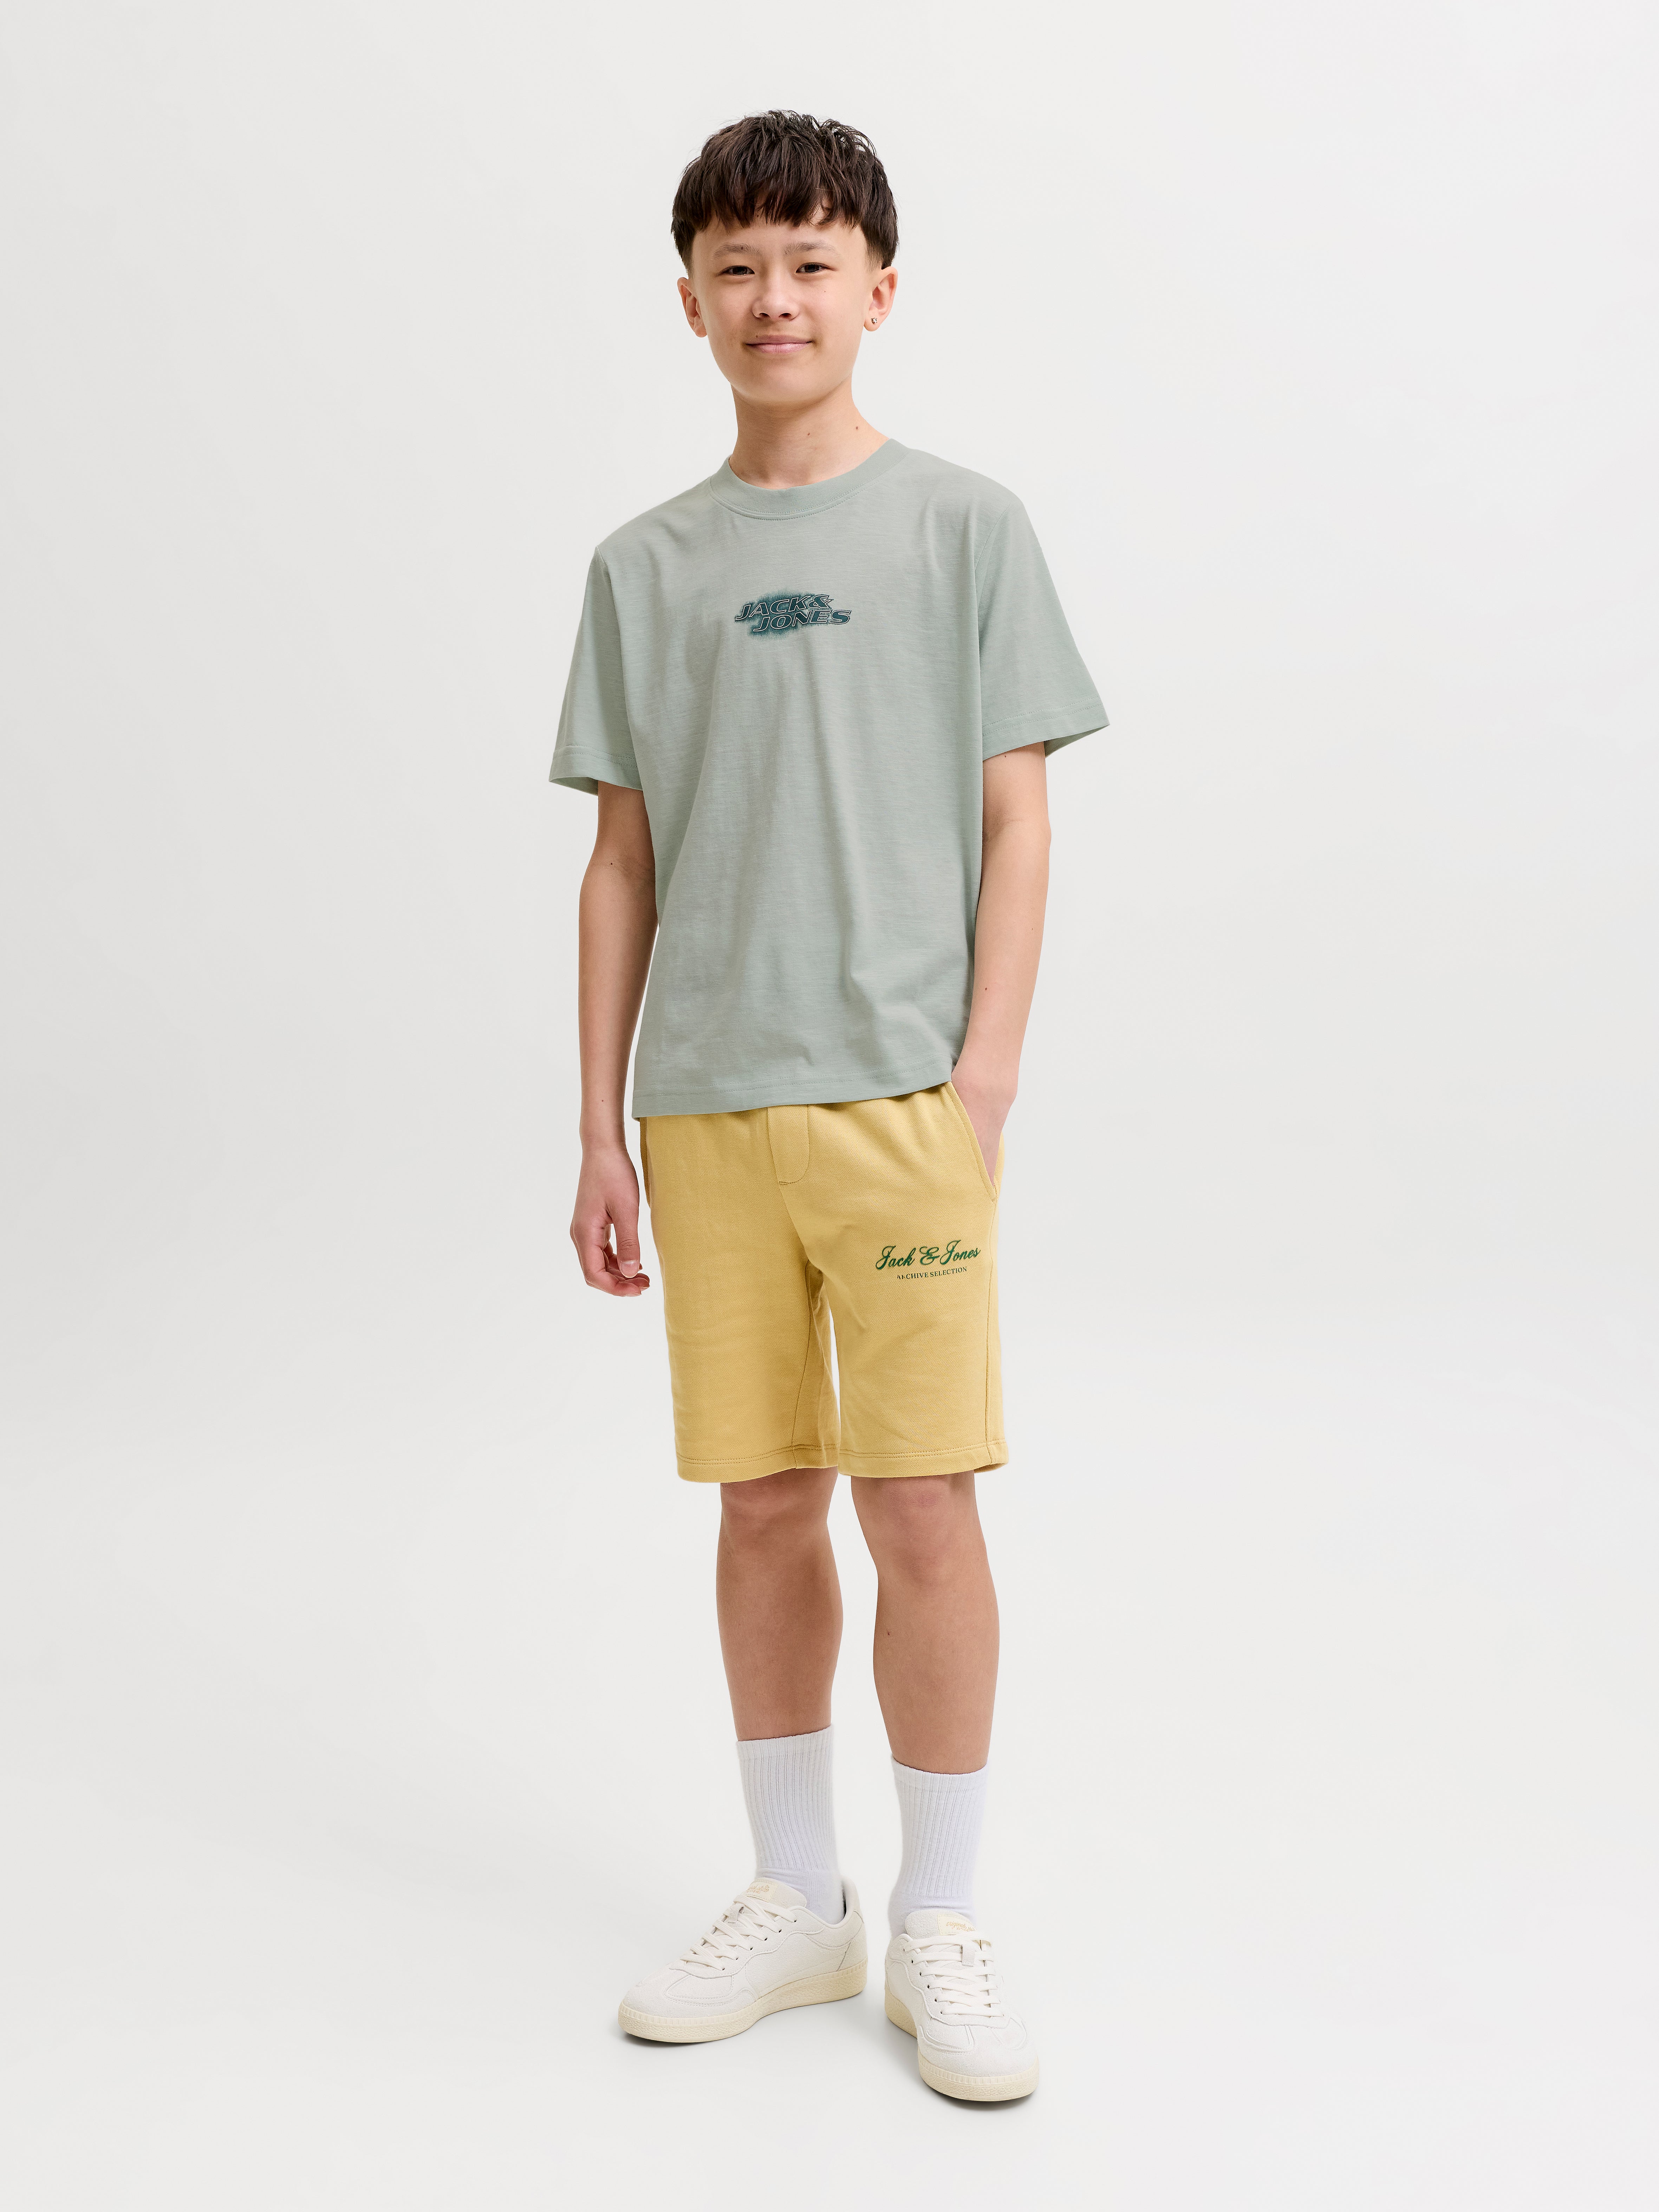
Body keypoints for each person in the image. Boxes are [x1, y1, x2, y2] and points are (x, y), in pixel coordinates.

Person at [551, 110, 1104, 2103]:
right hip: (705, 1108)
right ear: (688, 302)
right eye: (737, 267)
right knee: (764, 1499)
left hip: (903, 1108)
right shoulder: (644, 567)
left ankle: (940, 1916)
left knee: (921, 1500)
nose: (772, 298)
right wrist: (600, 1125)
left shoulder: (965, 529)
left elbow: (1017, 820)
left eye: (808, 263)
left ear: (878, 289)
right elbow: (621, 860)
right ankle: (802, 1894)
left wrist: (984, 1073)